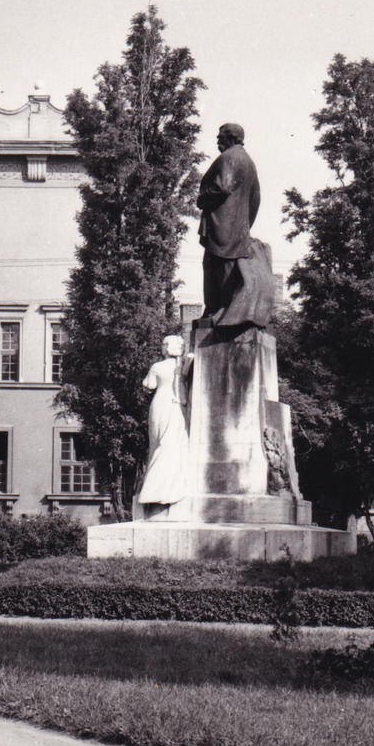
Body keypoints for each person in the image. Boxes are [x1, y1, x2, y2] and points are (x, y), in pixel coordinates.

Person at [197, 123, 275, 328]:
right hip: (237, 226)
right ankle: (218, 309)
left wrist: (202, 199)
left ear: (230, 138)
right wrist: (245, 223)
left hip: (222, 224)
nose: (217, 141)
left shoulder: (229, 157)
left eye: (220, 137)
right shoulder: (248, 161)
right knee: (222, 266)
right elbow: (256, 197)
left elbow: (222, 187)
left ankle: (221, 310)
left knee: (218, 266)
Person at [135, 335, 191, 510]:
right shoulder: (183, 366)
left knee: (158, 443)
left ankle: (154, 489)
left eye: (163, 344)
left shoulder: (157, 366)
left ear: (168, 347)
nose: (162, 347)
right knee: (174, 443)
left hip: (160, 403)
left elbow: (149, 385)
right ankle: (169, 487)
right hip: (178, 406)